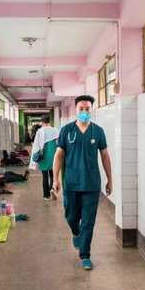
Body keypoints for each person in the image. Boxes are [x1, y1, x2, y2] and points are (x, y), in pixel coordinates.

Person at [52, 95, 112, 270]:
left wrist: (110, 179)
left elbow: (105, 156)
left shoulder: (98, 131)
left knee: (88, 221)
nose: (84, 112)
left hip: (91, 184)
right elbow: (58, 155)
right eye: (81, 109)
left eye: (87, 109)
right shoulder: (67, 130)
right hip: (71, 183)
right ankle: (76, 232)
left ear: (91, 110)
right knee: (71, 217)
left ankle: (85, 255)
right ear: (76, 110)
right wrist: (55, 179)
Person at [29, 115, 59, 201]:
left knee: (45, 176)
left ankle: (46, 196)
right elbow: (59, 143)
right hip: (54, 156)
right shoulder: (55, 130)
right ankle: (53, 190)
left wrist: (34, 158)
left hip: (44, 157)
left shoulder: (40, 131)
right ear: (49, 121)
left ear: (42, 122)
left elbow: (36, 146)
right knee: (53, 175)